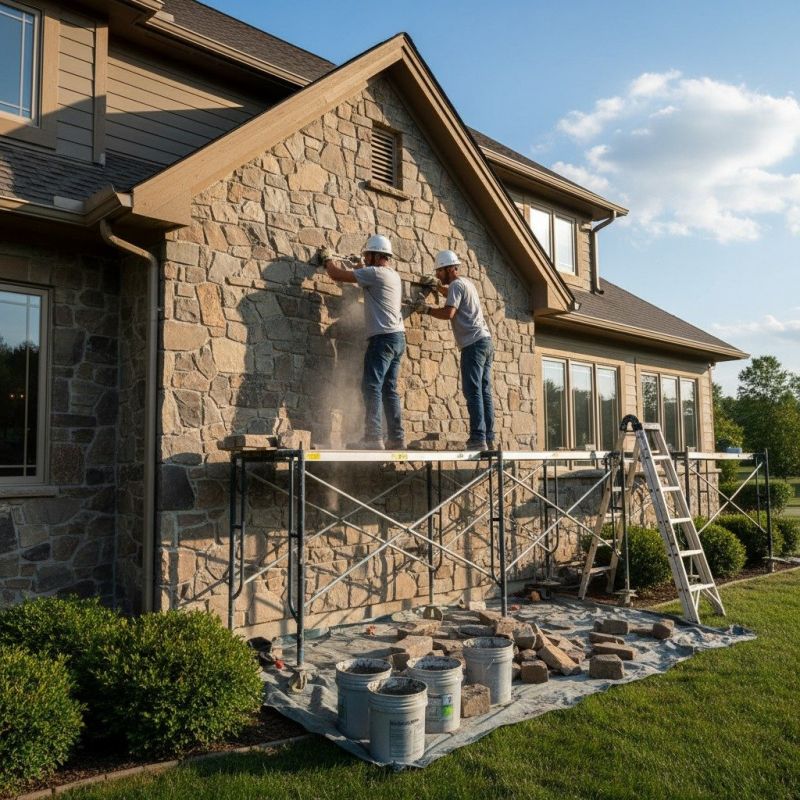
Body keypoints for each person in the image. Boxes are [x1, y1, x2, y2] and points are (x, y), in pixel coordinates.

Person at [320, 235, 406, 450]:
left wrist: (328, 258)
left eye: (368, 255)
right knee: (389, 389)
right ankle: (396, 438)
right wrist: (359, 265)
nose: (365, 259)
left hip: (382, 339)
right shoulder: (391, 275)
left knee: (371, 386)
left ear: (377, 256)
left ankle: (373, 437)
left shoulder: (373, 273)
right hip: (397, 338)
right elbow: (365, 274)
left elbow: (335, 274)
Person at [415, 250, 495, 450]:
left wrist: (427, 310)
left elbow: (449, 312)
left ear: (450, 269)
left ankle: (478, 438)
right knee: (484, 391)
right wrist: (437, 287)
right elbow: (450, 293)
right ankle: (489, 436)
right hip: (485, 341)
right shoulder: (466, 284)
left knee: (472, 390)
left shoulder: (457, 285)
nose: (438, 274)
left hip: (473, 345)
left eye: (440, 271)